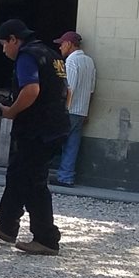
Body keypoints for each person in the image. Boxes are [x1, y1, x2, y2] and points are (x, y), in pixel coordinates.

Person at [0, 19, 71, 256]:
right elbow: (67, 91)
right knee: (18, 174)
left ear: (14, 39)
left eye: (4, 44)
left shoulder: (27, 56)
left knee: (34, 182)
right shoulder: (51, 55)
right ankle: (7, 225)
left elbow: (31, 90)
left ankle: (46, 239)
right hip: (55, 125)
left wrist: (11, 111)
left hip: (37, 131)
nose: (4, 50)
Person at [53, 31, 95, 187]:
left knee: (54, 141)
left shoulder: (71, 62)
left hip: (69, 111)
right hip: (81, 111)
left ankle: (44, 174)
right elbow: (91, 90)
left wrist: (64, 109)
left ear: (69, 44)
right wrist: (87, 112)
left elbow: (69, 88)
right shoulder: (89, 62)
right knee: (72, 145)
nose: (60, 48)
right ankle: (66, 177)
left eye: (62, 44)